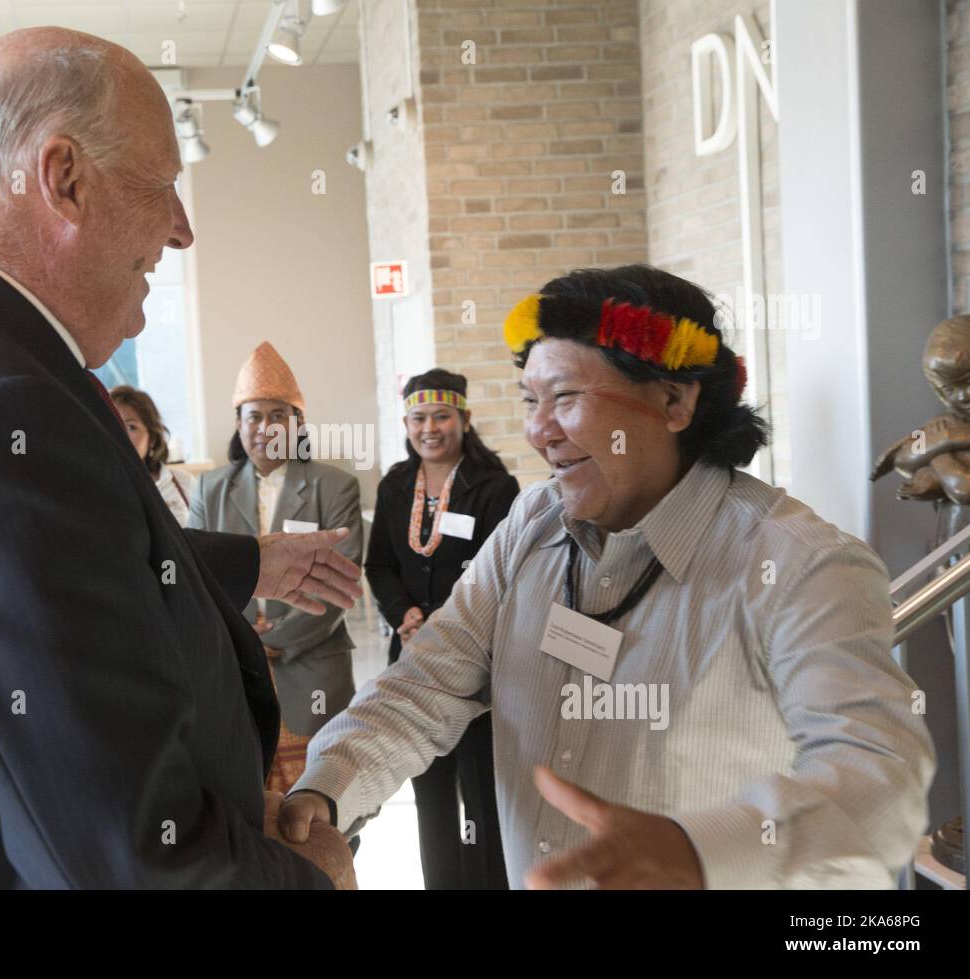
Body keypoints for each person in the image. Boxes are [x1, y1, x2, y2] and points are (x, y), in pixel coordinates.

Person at [0, 29, 360, 889]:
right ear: (65, 179)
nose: (182, 229)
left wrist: (252, 565)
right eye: (164, 186)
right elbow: (124, 856)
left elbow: (66, 569)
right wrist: (308, 877)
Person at [281, 264, 936, 889]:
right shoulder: (531, 527)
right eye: (530, 400)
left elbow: (880, 789)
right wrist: (325, 788)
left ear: (675, 400)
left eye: (566, 397)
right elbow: (426, 683)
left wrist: (700, 851)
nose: (539, 431)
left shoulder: (798, 566)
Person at [189, 342, 363, 795]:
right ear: (238, 424)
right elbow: (196, 579)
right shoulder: (209, 489)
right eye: (254, 416)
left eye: (278, 415)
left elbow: (338, 583)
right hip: (235, 672)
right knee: (251, 803)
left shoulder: (335, 485)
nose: (265, 427)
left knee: (327, 804)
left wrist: (274, 640)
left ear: (297, 423)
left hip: (313, 668)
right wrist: (247, 642)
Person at [365, 369, 517, 889]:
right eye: (419, 418)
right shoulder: (394, 485)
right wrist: (404, 613)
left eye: (441, 416)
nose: (430, 427)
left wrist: (444, 621)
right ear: (406, 424)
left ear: (464, 420)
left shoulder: (496, 488)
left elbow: (497, 572)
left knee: (479, 787)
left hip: (474, 659)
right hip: (411, 657)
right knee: (428, 788)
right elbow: (379, 565)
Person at [111, 384, 197, 526]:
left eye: (131, 427)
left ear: (151, 438)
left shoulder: (185, 482)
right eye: (114, 425)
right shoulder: (100, 485)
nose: (122, 435)